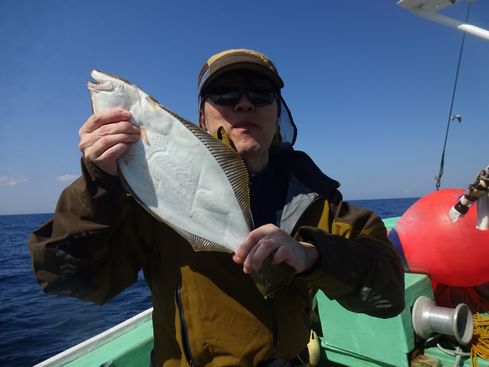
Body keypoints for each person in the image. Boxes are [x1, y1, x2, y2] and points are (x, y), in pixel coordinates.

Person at [29, 48, 405, 367]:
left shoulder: (317, 198)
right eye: (224, 94)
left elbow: (389, 294)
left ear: (278, 113)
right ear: (203, 117)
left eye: (261, 93)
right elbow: (64, 277)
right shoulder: (153, 201)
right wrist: (100, 184)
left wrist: (311, 255)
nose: (244, 103)